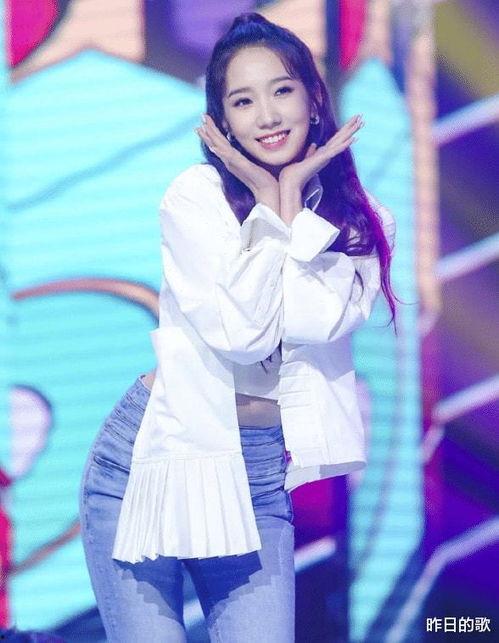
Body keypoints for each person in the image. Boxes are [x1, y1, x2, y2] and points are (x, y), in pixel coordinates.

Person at [79, 12, 397, 643]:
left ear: (313, 98)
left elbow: (311, 319)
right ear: (222, 120)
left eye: (282, 91)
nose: (268, 116)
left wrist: (288, 202)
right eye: (243, 101)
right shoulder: (194, 197)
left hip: (257, 475)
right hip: (151, 459)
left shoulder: (360, 221)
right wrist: (272, 202)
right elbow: (243, 337)